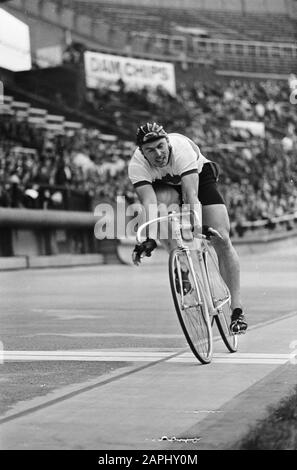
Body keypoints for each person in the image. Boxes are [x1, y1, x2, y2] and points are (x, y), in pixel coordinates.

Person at [128, 122, 247, 334]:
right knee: (160, 211)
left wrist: (198, 227)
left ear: (167, 142)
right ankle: (180, 263)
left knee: (222, 238)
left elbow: (192, 195)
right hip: (165, 186)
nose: (158, 154)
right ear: (141, 152)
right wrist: (149, 238)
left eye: (161, 146)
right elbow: (149, 202)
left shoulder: (181, 148)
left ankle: (237, 311)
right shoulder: (137, 165)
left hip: (199, 177)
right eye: (150, 150)